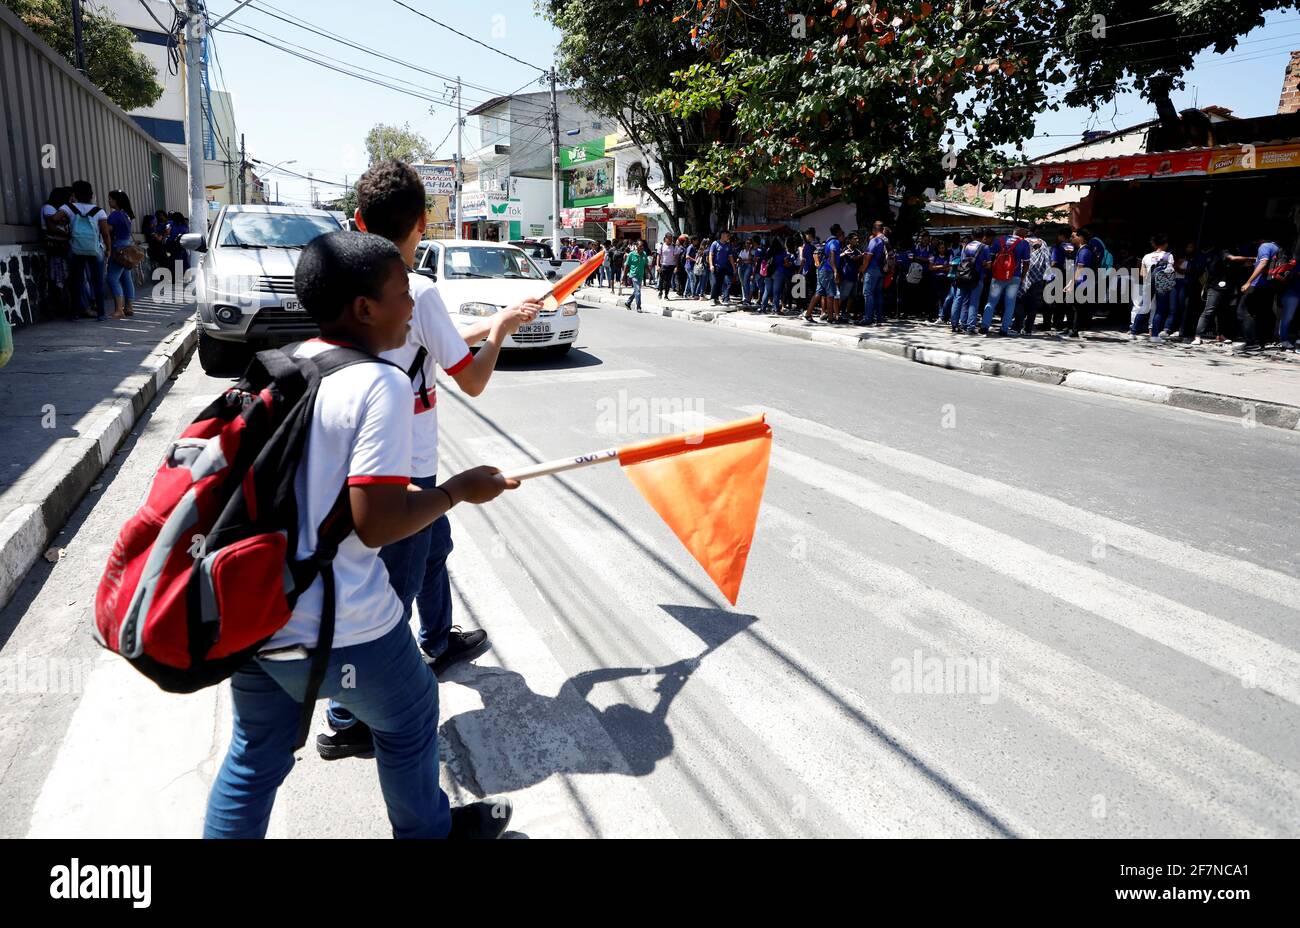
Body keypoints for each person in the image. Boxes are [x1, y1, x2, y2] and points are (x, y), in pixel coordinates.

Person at [203, 230, 519, 839]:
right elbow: (375, 522)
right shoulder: (381, 384)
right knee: (411, 713)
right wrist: (456, 491)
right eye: (403, 292)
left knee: (254, 758)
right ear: (365, 308)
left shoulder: (283, 364)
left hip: (254, 609)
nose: (412, 305)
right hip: (341, 620)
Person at [316, 161, 541, 762]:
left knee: (434, 546)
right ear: (423, 223)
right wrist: (497, 337)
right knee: (394, 588)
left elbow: (430, 338)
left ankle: (439, 640)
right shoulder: (418, 290)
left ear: (360, 219)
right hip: (403, 464)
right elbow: (472, 381)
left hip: (348, 456)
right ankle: (347, 719)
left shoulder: (350, 285)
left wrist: (491, 322)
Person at [61, 180, 112, 321]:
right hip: (95, 249)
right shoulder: (99, 211)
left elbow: (54, 218)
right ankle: (101, 313)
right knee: (97, 281)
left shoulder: (68, 208)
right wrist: (108, 249)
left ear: (74, 193)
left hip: (75, 248)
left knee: (76, 281)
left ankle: (75, 314)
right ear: (91, 194)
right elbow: (105, 233)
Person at [980, 225, 1031, 336]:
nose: (1027, 232)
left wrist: (991, 272)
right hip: (1014, 277)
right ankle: (1004, 329)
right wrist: (1022, 277)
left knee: (991, 301)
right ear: (1020, 230)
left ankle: (984, 327)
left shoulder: (1000, 240)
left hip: (997, 276)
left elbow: (991, 257)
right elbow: (1026, 263)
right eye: (1025, 230)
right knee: (1010, 303)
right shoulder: (1024, 243)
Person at [1062, 227, 1103, 338]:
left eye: (1074, 236)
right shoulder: (1082, 250)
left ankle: (1074, 330)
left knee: (1075, 307)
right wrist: (1070, 282)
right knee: (1070, 305)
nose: (1071, 238)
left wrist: (1072, 284)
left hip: (1082, 283)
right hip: (1080, 283)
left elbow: (1080, 269)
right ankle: (1070, 328)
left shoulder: (1084, 251)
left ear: (1081, 238)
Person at [104, 190, 137, 320]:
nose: (109, 201)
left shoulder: (115, 215)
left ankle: (119, 310)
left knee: (112, 278)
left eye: (110, 199)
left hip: (118, 248)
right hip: (127, 247)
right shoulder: (126, 215)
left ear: (117, 201)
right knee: (126, 278)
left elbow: (107, 230)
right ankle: (129, 307)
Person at [951, 230, 990, 334]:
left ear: (972, 236)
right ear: (983, 236)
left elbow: (963, 260)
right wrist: (984, 264)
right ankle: (970, 327)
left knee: (959, 299)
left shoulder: (966, 246)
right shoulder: (985, 247)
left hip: (963, 276)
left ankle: (955, 324)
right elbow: (988, 265)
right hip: (977, 277)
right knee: (974, 302)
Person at [1017, 231, 1050, 336]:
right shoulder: (1043, 243)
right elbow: (1047, 259)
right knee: (1033, 304)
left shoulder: (1023, 242)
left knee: (1020, 301)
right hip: (1038, 277)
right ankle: (1028, 329)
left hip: (1024, 276)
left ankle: (1018, 326)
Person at [806, 224, 842, 323]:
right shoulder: (835, 242)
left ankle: (808, 314)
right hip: (828, 270)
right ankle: (830, 318)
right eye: (841, 231)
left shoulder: (828, 241)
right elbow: (832, 256)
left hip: (821, 270)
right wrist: (835, 271)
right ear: (838, 231)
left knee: (818, 293)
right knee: (830, 294)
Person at [860, 221, 888, 325]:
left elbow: (867, 257)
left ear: (874, 230)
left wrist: (862, 270)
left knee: (868, 293)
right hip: (882, 270)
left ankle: (868, 318)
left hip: (872, 269)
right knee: (878, 294)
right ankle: (879, 318)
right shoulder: (885, 240)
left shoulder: (875, 240)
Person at [835, 231, 862, 324]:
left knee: (852, 297)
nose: (857, 240)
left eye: (857, 238)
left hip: (855, 277)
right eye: (855, 239)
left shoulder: (858, 251)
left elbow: (859, 263)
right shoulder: (846, 250)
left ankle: (846, 312)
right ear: (849, 240)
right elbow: (854, 258)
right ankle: (837, 314)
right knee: (842, 296)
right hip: (846, 276)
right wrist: (864, 255)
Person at [709, 229, 736, 306]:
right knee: (714, 283)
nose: (728, 237)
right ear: (722, 235)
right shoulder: (715, 243)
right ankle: (712, 298)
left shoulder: (728, 245)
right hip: (715, 267)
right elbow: (711, 255)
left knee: (719, 284)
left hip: (723, 268)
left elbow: (730, 257)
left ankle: (716, 298)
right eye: (727, 236)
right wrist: (711, 265)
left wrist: (734, 268)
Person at [625, 239, 648, 311]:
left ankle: (628, 302)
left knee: (636, 291)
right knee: (638, 291)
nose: (642, 248)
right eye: (640, 246)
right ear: (636, 246)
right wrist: (624, 276)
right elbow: (627, 265)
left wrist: (650, 274)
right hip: (633, 275)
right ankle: (638, 307)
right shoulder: (631, 254)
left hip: (640, 275)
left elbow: (646, 265)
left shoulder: (644, 254)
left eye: (642, 246)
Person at [656, 233, 678, 300]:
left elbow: (676, 257)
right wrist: (657, 265)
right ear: (665, 238)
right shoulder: (661, 246)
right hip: (663, 265)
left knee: (668, 281)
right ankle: (660, 292)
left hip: (671, 266)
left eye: (671, 239)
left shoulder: (674, 246)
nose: (670, 240)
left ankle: (666, 295)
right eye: (669, 238)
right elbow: (658, 256)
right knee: (661, 280)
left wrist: (676, 267)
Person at [736, 237, 755, 305]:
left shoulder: (753, 251)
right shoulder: (742, 251)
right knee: (742, 282)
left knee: (745, 281)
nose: (748, 244)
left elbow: (750, 260)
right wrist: (745, 260)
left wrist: (749, 250)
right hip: (741, 266)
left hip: (748, 267)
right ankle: (744, 298)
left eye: (749, 243)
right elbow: (738, 260)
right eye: (746, 243)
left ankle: (747, 299)